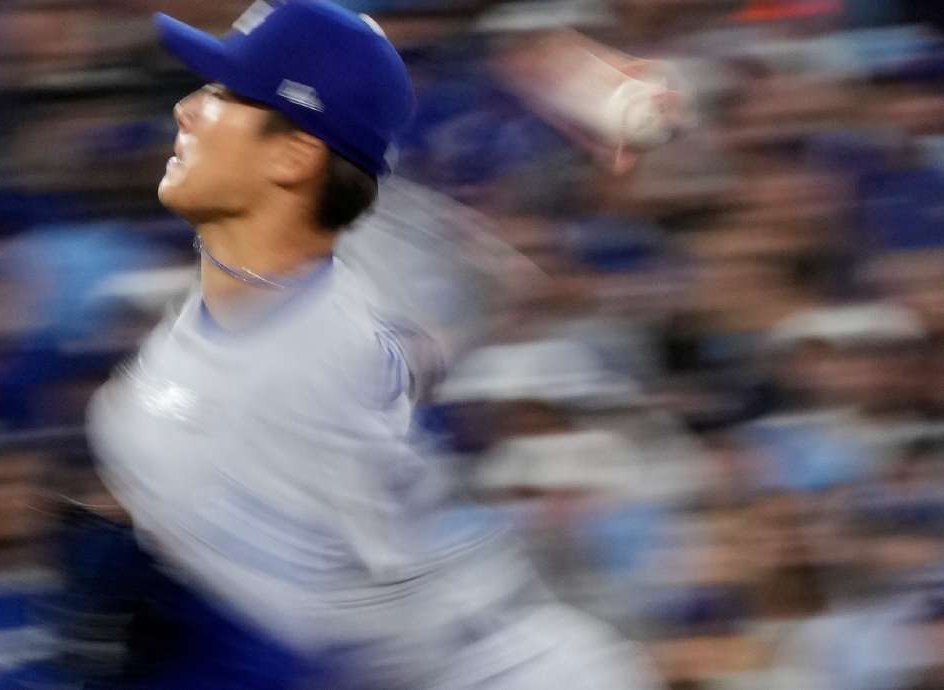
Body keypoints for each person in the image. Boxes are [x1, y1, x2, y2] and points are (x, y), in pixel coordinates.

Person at [88, 1, 664, 687]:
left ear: (296, 155)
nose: (186, 108)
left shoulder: (217, 398)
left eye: (225, 95)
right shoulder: (366, 251)